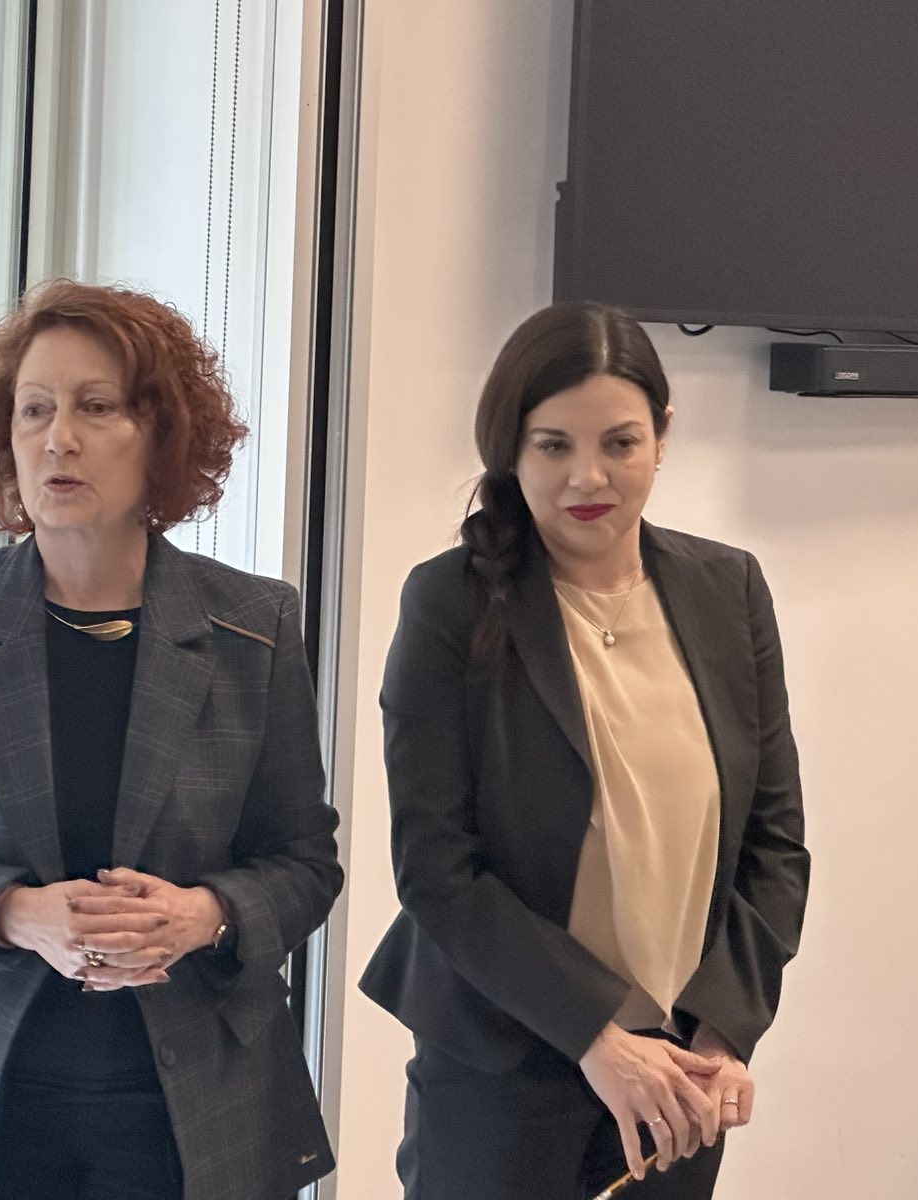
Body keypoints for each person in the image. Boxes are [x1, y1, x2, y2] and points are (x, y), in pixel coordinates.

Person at [0, 280, 342, 1200]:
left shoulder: (253, 627)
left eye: (96, 407)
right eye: (34, 410)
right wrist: (11, 914)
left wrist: (206, 914)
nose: (58, 438)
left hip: (191, 1106)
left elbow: (304, 863)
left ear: (163, 436)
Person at [359, 302, 810, 1198]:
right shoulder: (448, 603)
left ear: (662, 436)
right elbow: (437, 867)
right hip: (504, 1061)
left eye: (620, 442)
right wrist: (599, 1041)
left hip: (682, 1069)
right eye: (553, 445)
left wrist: (721, 1034)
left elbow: (775, 844)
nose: (587, 476)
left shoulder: (729, 590)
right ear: (511, 450)